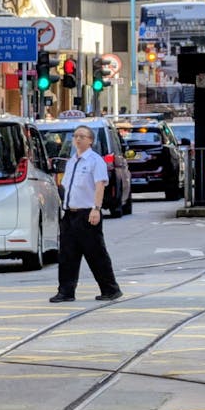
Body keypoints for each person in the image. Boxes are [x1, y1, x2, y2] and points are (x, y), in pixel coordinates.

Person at [51, 125, 122, 303]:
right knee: (67, 255)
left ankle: (110, 289)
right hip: (70, 214)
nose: (78, 139)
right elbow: (66, 186)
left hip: (87, 213)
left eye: (82, 136)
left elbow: (100, 185)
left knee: (95, 253)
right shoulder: (72, 161)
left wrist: (96, 209)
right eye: (75, 136)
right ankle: (66, 291)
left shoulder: (95, 160)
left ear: (90, 140)